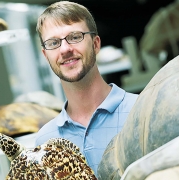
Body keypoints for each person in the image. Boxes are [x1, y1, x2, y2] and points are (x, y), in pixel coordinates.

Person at [35, 1, 138, 176]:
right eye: (53, 43)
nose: (65, 49)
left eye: (75, 37)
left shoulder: (140, 110)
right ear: (46, 55)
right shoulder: (46, 141)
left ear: (96, 44)